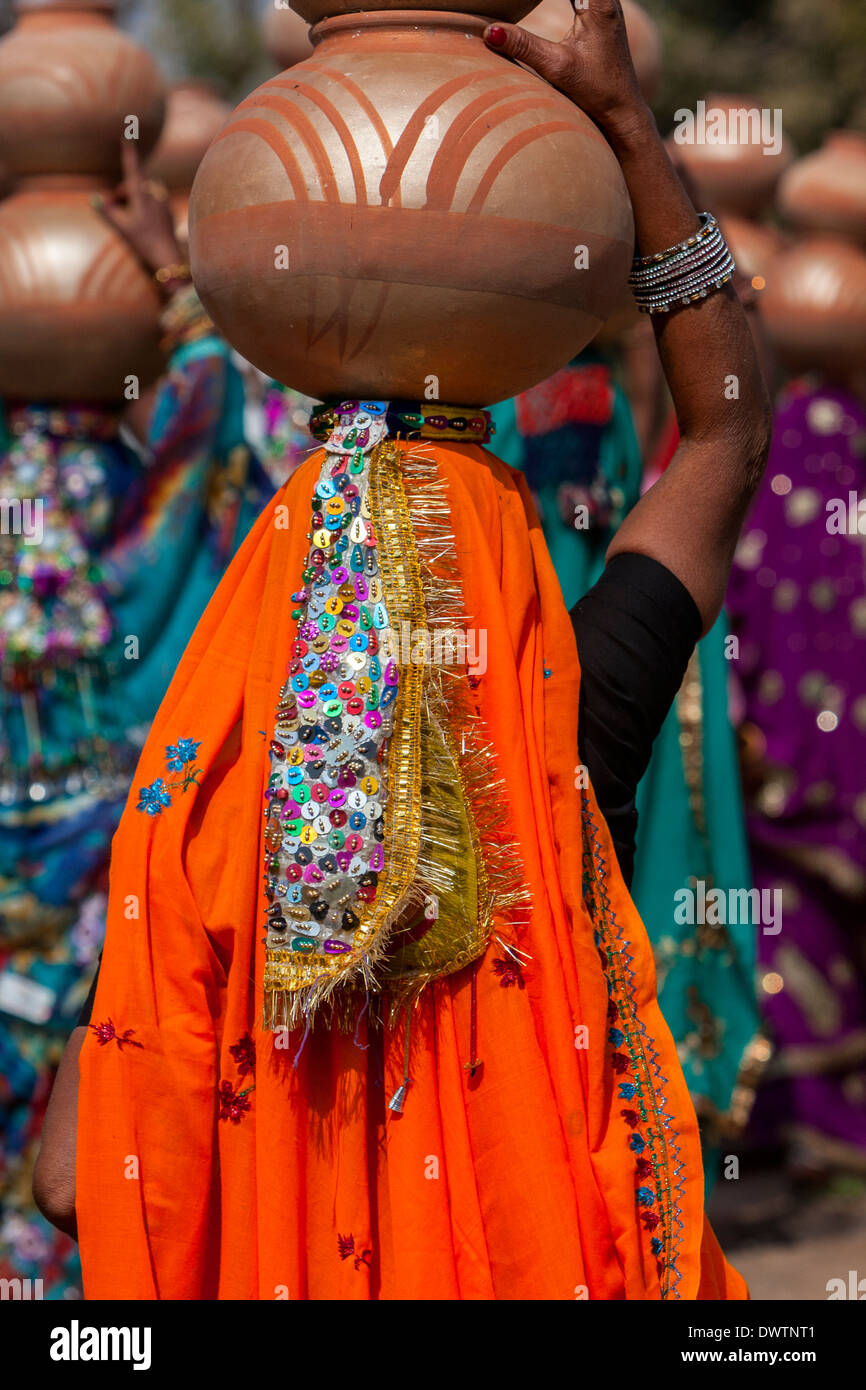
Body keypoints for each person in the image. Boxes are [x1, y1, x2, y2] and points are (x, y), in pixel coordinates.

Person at [35, 2, 771, 1300]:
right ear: (523, 587)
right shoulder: (572, 719)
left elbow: (70, 1180)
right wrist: (622, 127)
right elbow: (722, 431)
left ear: (270, 600)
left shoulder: (215, 769)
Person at [0, 144, 270, 1298]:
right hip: (118, 857)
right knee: (97, 1097)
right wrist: (173, 275)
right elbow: (216, 407)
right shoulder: (146, 489)